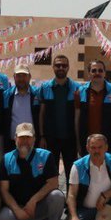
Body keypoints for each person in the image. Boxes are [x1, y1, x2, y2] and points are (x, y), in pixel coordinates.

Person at [0, 123, 65, 220]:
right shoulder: (6, 159)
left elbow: (53, 183)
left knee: (58, 196)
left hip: (40, 206)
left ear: (34, 138)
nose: (24, 141)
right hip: (18, 208)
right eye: (21, 137)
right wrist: (17, 209)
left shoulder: (46, 156)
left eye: (28, 137)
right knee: (3, 218)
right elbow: (4, 190)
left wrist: (33, 201)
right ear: (15, 138)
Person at [37, 54, 80, 186]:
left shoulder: (77, 88)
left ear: (68, 68)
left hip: (70, 139)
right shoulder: (45, 88)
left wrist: (78, 140)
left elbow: (79, 115)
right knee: (51, 173)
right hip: (51, 139)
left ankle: (70, 203)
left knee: (71, 173)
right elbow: (41, 114)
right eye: (58, 65)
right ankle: (53, 202)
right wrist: (42, 136)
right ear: (53, 67)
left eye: (64, 65)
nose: (61, 67)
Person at [78, 60, 111, 154]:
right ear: (89, 73)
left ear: (105, 73)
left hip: (108, 143)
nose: (97, 73)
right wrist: (78, 143)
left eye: (100, 70)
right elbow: (76, 120)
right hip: (88, 143)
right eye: (94, 71)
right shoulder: (80, 92)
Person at [3, 66, 40, 152]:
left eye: (24, 75)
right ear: (14, 77)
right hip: (12, 142)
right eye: (19, 76)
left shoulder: (37, 94)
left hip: (32, 141)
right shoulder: (6, 95)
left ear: (29, 77)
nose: (21, 79)